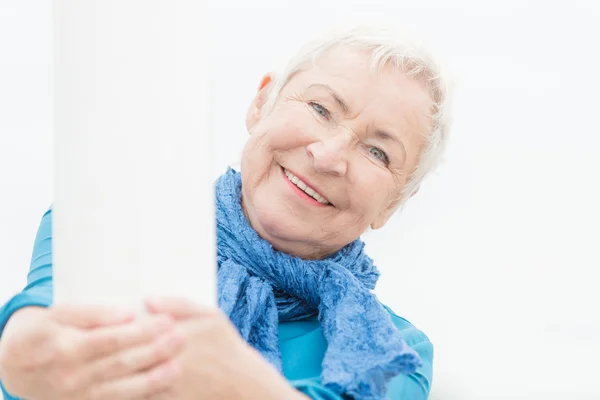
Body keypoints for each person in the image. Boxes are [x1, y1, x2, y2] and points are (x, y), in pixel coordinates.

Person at [0, 25, 451, 400]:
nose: (328, 155)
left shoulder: (395, 354)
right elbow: (32, 337)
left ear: (392, 203)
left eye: (377, 151)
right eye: (320, 108)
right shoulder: (107, 230)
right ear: (261, 104)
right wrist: (21, 356)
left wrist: (238, 384)